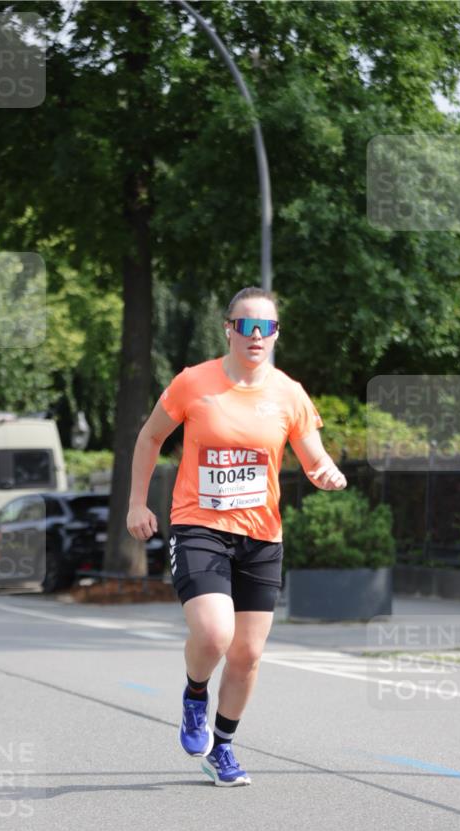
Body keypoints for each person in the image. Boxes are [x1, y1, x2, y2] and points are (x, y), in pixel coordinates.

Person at [126, 287, 347, 787]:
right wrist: (137, 503)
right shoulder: (193, 383)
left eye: (266, 327)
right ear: (228, 329)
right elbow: (150, 436)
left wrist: (327, 473)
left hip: (261, 537)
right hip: (199, 526)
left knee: (247, 655)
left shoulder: (288, 393)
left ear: (276, 334)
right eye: (246, 326)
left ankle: (222, 749)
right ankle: (194, 694)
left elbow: (313, 457)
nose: (256, 336)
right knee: (214, 634)